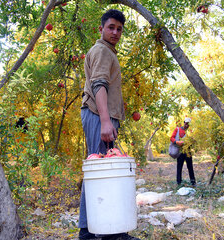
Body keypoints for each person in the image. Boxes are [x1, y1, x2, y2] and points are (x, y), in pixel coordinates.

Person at [78, 9, 140, 240]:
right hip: (97, 115)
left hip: (101, 116)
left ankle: (107, 229)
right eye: (111, 27)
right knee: (98, 171)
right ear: (101, 28)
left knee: (102, 171)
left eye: (119, 29)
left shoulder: (106, 51)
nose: (115, 32)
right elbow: (99, 85)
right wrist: (105, 120)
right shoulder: (103, 51)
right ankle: (89, 232)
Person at [170, 117, 196, 186]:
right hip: (180, 151)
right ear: (184, 122)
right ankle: (179, 183)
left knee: (190, 167)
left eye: (188, 124)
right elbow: (171, 138)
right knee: (179, 167)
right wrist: (177, 142)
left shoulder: (190, 132)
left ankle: (193, 182)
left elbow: (193, 141)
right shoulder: (178, 129)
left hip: (188, 151)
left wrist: (193, 141)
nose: (187, 125)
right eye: (186, 123)